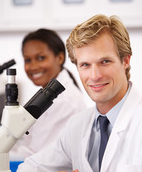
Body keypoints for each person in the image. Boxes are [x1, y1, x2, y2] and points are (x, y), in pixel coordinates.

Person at [14, 14, 142, 172]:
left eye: (105, 61)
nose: (94, 76)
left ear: (125, 61)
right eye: (85, 65)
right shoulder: (79, 125)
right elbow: (28, 168)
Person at [10, 28, 86, 159]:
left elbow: (38, 154)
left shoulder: (65, 101)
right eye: (28, 60)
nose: (33, 66)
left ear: (60, 57)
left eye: (41, 58)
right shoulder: (47, 93)